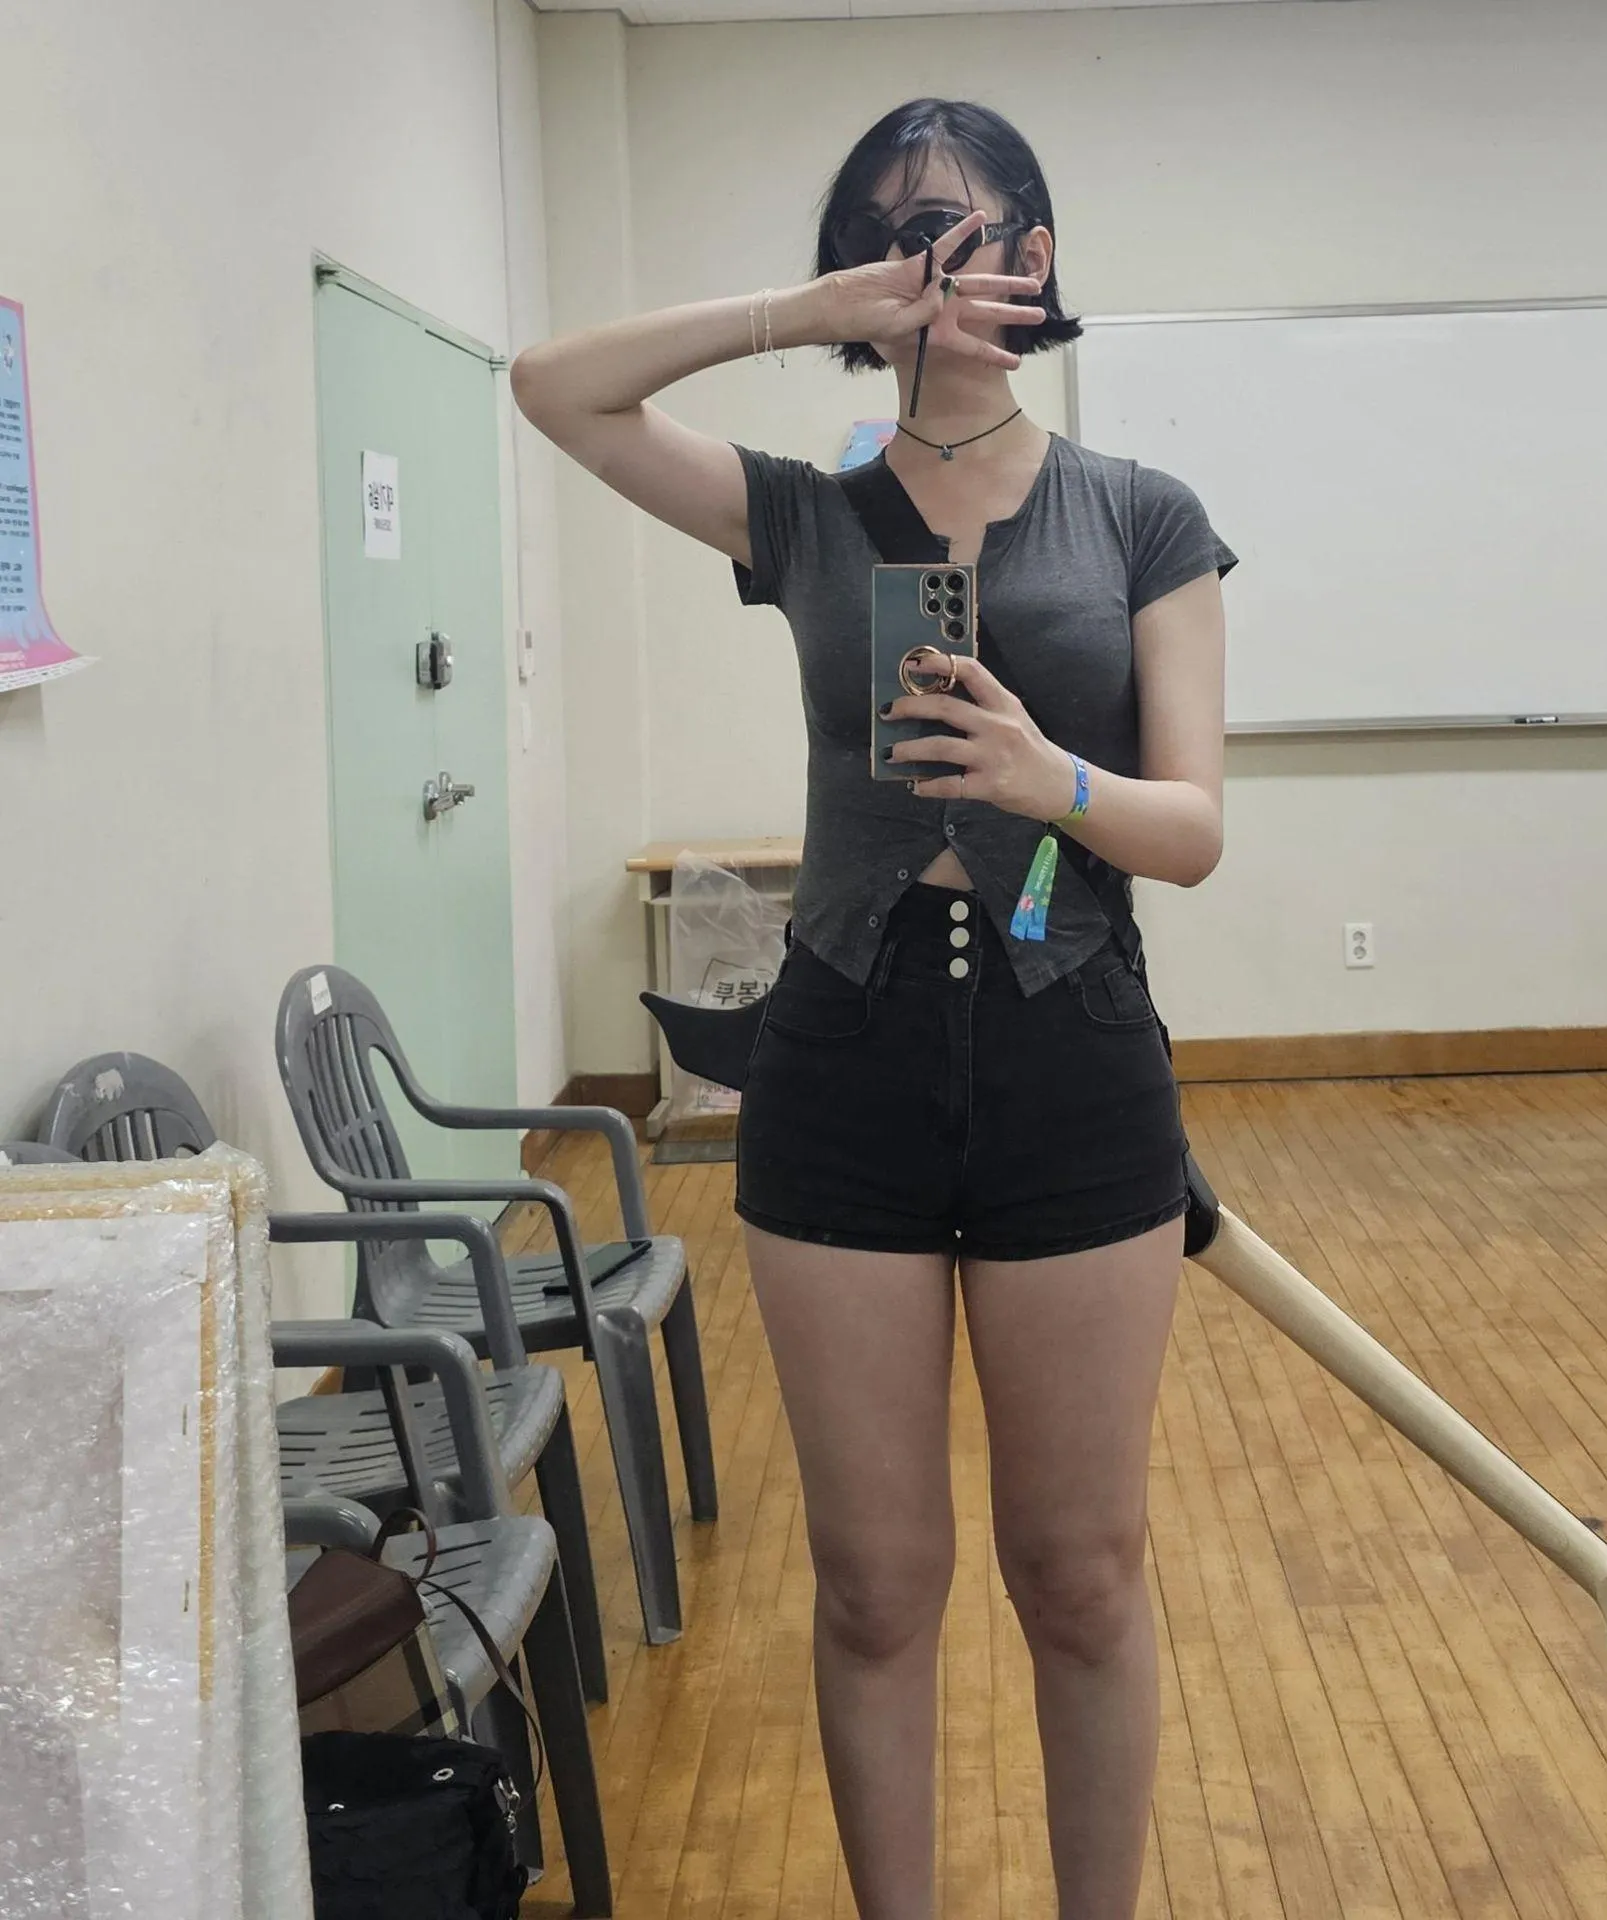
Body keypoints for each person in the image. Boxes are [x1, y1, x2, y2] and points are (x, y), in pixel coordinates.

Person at [513, 96, 1235, 1920]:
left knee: (1082, 1574)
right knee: (873, 1584)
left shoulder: (1141, 516)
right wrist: (797, 311)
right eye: (883, 232)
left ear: (1033, 256)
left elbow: (1193, 832)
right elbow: (554, 388)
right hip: (843, 1056)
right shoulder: (807, 512)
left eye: (950, 224)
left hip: (1076, 1049)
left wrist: (1050, 779)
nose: (918, 258)